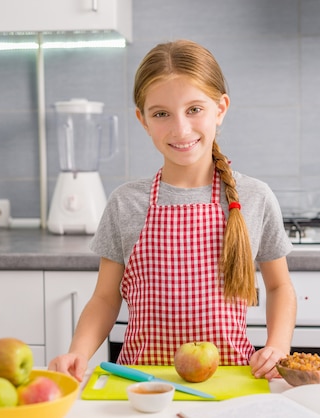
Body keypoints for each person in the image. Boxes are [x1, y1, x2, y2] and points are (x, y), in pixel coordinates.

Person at [48, 39, 297, 382]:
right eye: (161, 113)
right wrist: (77, 351)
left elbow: (280, 287)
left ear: (220, 108)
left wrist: (278, 346)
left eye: (194, 109)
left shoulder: (254, 197)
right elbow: (105, 298)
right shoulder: (126, 202)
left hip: (228, 381)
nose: (180, 129)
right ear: (142, 119)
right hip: (140, 381)